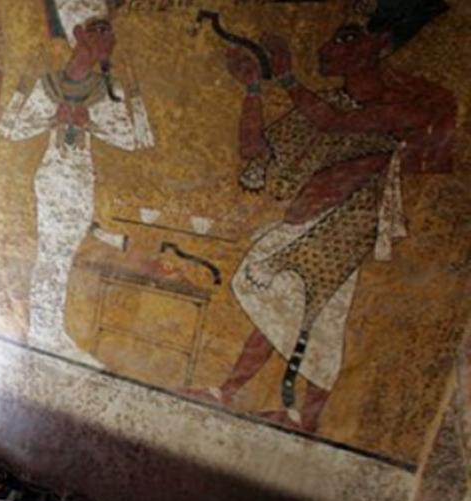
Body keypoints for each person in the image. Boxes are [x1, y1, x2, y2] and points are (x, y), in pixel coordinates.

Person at [189, 0, 455, 431]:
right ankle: (241, 395)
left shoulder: (407, 105)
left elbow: (335, 124)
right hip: (307, 224)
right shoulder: (327, 102)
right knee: (290, 306)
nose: (329, 46)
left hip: (345, 230)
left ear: (382, 44)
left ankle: (293, 411)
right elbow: (257, 154)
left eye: (348, 37)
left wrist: (289, 76)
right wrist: (253, 90)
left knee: (310, 312)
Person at [0, 0, 153, 365]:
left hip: (82, 180)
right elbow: (11, 129)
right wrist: (44, 106)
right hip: (53, 179)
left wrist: (108, 109)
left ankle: (49, 332)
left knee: (61, 257)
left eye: (109, 29)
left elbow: (137, 139)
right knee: (52, 256)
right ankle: (44, 334)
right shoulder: (49, 83)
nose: (110, 37)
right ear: (79, 34)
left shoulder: (106, 87)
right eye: (101, 29)